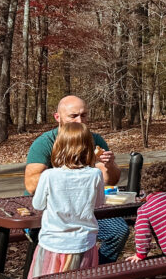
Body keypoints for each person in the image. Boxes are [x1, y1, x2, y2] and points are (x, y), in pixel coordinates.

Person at [25, 122, 105, 279]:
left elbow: (38, 205)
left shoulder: (49, 175)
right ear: (89, 149)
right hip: (84, 244)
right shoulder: (94, 174)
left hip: (54, 245)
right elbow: (99, 203)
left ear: (58, 147)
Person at [25, 95, 129, 263]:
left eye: (84, 115)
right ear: (57, 117)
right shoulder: (45, 143)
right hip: (50, 212)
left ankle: (92, 276)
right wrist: (69, 174)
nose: (80, 121)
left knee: (118, 231)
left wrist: (109, 165)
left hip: (83, 210)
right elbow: (31, 185)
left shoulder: (95, 140)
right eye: (73, 116)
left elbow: (110, 180)